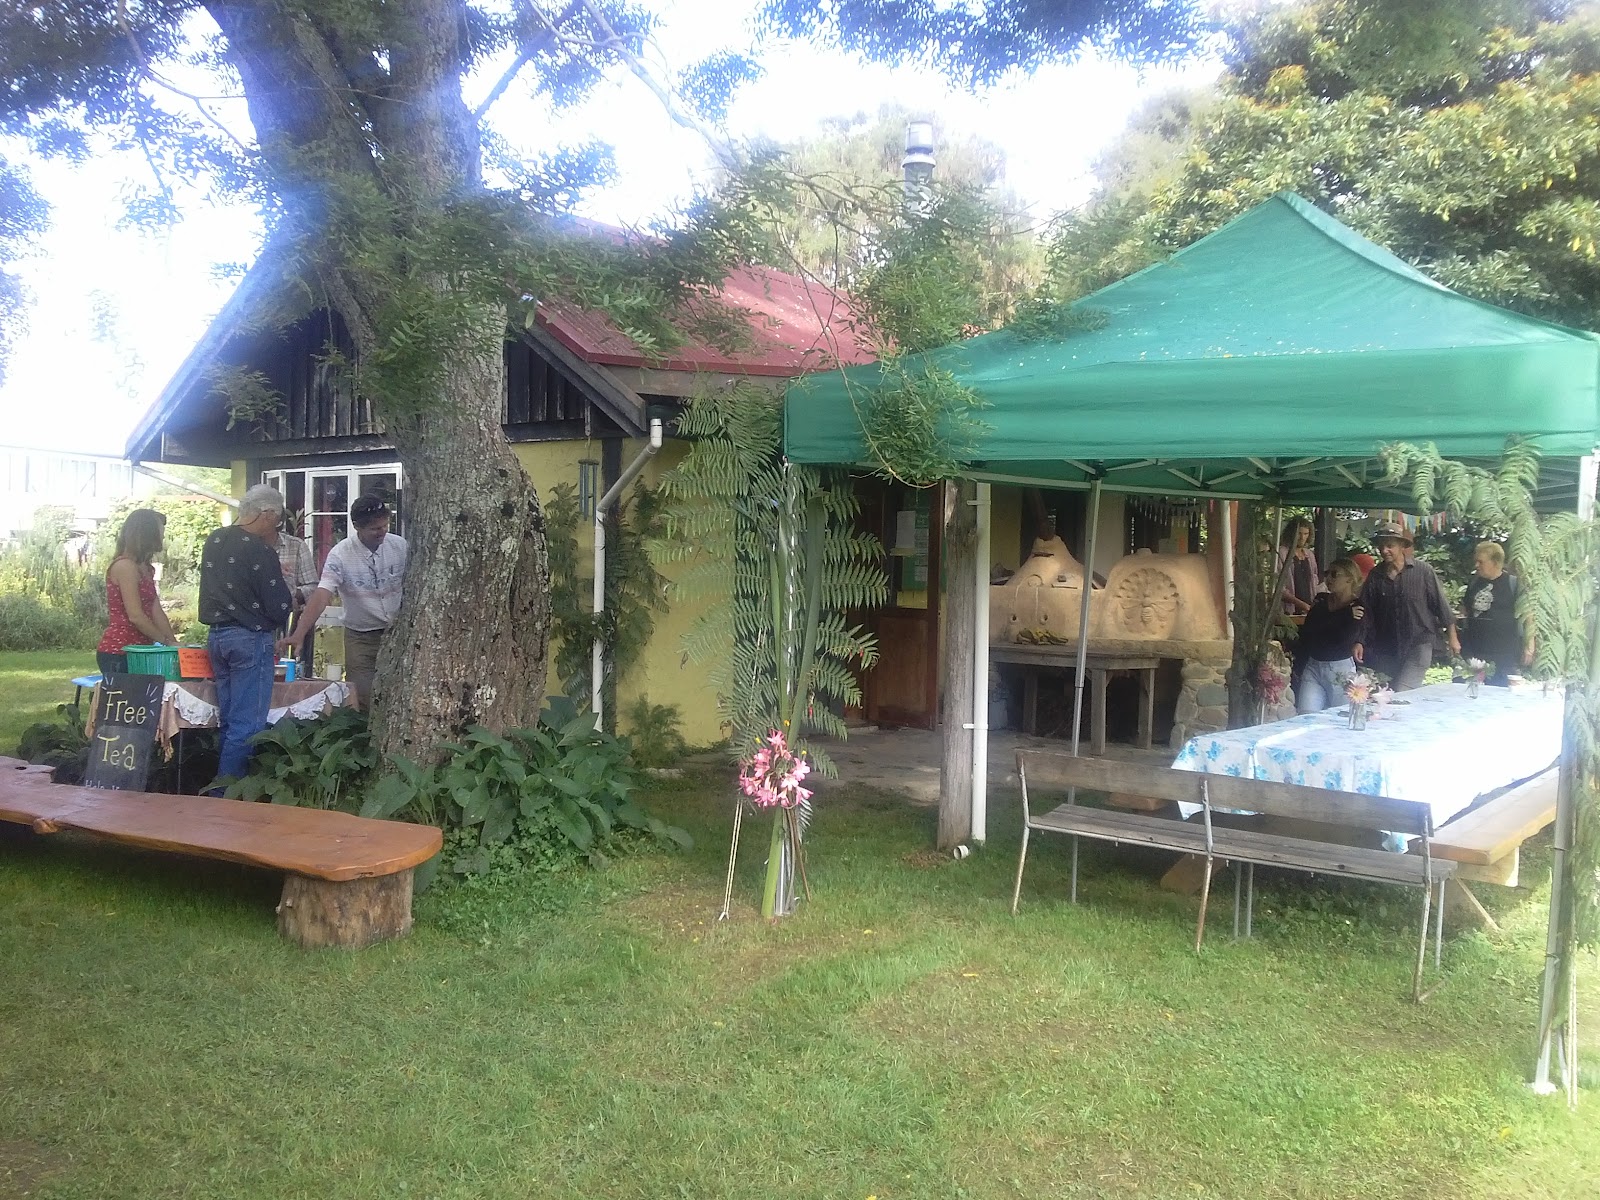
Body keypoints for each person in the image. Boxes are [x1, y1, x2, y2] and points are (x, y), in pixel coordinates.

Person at [200, 485, 294, 786]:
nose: (276, 527)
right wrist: (289, 597)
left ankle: (220, 784)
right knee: (248, 722)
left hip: (217, 636)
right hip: (249, 637)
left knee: (229, 718)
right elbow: (278, 604)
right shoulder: (260, 551)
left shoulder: (214, 539)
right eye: (276, 519)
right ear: (266, 514)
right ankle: (228, 793)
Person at [283, 494, 407, 710]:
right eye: (375, 529)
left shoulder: (400, 546)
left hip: (400, 632)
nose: (382, 532)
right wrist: (299, 634)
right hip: (361, 637)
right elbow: (322, 595)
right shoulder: (340, 555)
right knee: (362, 696)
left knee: (401, 691)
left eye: (385, 525)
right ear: (357, 527)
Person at [1353, 521, 1459, 691]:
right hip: (1387, 647)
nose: (1384, 550)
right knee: (1386, 693)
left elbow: (1441, 605)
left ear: (1402, 546)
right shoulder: (1375, 575)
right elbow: (1366, 612)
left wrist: (1453, 638)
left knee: (1403, 691)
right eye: (1381, 546)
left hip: (1419, 643)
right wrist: (1359, 641)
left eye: (1390, 546)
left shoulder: (1423, 571)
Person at [96, 508, 178, 676]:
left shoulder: (146, 568)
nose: (162, 536)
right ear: (147, 533)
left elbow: (156, 610)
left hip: (140, 652)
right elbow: (136, 616)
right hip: (119, 652)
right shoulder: (125, 566)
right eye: (159, 531)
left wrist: (174, 644)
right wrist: (166, 642)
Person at [1294, 558, 1365, 713]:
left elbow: (1342, 638)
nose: (1328, 579)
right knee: (1305, 715)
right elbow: (1310, 630)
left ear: (1349, 579)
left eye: (1334, 574)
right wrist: (1344, 616)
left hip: (1340, 668)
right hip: (1314, 666)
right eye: (1326, 573)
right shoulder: (1321, 599)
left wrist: (1329, 620)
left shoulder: (1357, 606)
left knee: (1340, 716)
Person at [1461, 541, 1531, 685]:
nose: (1476, 565)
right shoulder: (1474, 583)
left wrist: (1529, 646)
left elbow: (1528, 616)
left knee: (1500, 694)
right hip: (1474, 654)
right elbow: (1465, 611)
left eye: (1481, 562)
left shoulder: (1514, 584)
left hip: (1504, 657)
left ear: (1495, 562)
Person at [269, 518, 318, 672]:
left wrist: (289, 594)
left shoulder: (296, 546)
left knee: (290, 675)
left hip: (291, 622)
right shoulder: (247, 547)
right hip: (255, 625)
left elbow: (314, 588)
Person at [1276, 516, 1320, 616]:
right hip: (1288, 610)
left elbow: (1314, 582)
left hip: (1308, 609)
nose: (1302, 538)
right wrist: (1301, 604)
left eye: (1305, 534)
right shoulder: (1282, 553)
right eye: (1299, 533)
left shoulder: (1309, 555)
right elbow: (1279, 587)